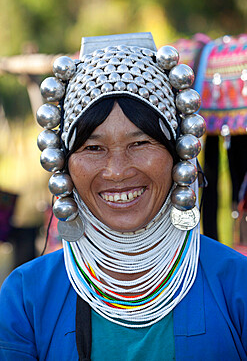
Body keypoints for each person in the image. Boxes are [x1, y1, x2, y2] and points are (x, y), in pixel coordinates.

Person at [0, 32, 247, 361]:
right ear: (63, 164)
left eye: (140, 143)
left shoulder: (237, 286)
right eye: (93, 148)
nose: (116, 171)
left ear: (179, 154)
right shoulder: (25, 299)